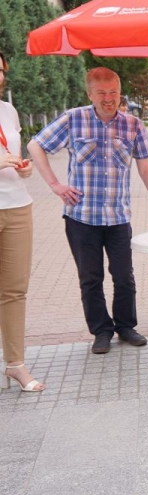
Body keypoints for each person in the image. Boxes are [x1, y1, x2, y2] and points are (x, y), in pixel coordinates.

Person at [28, 67, 148, 355]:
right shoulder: (73, 119)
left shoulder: (133, 125)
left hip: (118, 218)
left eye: (113, 92)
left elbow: (146, 170)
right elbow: (35, 145)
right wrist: (55, 185)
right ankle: (101, 331)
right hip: (81, 217)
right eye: (101, 93)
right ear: (90, 94)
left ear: (120, 93)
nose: (108, 99)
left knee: (124, 276)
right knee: (90, 278)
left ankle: (126, 326)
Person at [0, 51, 44, 393]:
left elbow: (12, 155)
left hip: (16, 206)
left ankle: (15, 364)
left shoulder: (8, 110)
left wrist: (23, 169)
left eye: (0, 70)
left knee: (14, 291)